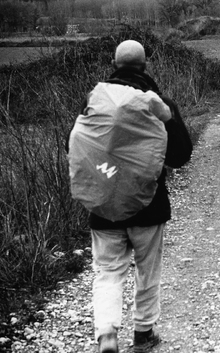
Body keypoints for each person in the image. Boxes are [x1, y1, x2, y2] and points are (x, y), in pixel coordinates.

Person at [75, 40, 193, 353]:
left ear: (114, 65)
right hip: (149, 207)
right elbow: (181, 156)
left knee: (108, 273)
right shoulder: (159, 104)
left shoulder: (92, 102)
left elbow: (76, 149)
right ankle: (143, 332)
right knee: (147, 272)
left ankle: (108, 334)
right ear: (146, 66)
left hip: (103, 206)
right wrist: (167, 119)